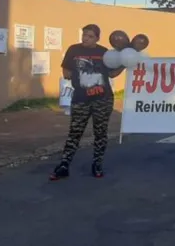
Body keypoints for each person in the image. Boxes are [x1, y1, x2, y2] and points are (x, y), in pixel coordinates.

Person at [50, 24, 125, 180]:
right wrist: (79, 77)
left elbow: (112, 74)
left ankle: (97, 164)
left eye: (90, 36)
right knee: (74, 133)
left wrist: (124, 64)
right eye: (84, 35)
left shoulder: (104, 53)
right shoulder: (73, 50)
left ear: (97, 38)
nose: (85, 38)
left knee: (100, 133)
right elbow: (66, 72)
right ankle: (64, 165)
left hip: (102, 99)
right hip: (81, 99)